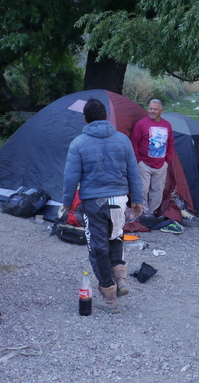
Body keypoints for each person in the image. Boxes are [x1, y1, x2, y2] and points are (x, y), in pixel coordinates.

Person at [61, 99, 144, 312]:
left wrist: (67, 203)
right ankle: (121, 279)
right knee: (115, 237)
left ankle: (110, 298)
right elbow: (134, 172)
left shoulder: (78, 143)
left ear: (85, 119)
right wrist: (137, 200)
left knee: (97, 248)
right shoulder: (123, 140)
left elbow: (71, 178)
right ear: (106, 117)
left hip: (94, 203)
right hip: (119, 200)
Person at [130, 99, 176, 220]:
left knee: (158, 190)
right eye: (150, 108)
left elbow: (170, 143)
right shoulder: (141, 124)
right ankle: (142, 214)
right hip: (144, 164)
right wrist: (138, 161)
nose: (152, 111)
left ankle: (151, 213)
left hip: (161, 165)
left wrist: (167, 161)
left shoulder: (167, 125)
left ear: (161, 111)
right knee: (142, 190)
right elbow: (134, 143)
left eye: (155, 109)